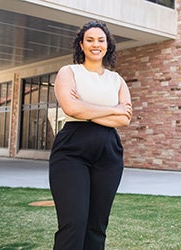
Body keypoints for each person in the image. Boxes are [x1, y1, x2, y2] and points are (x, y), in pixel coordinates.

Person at [49, 20, 133, 250]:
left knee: (97, 227)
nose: (95, 44)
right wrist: (111, 109)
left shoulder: (117, 80)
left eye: (100, 40)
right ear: (81, 45)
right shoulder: (69, 72)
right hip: (71, 151)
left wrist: (86, 107)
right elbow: (71, 109)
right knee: (73, 223)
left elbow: (124, 119)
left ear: (108, 45)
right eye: (90, 40)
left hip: (109, 153)